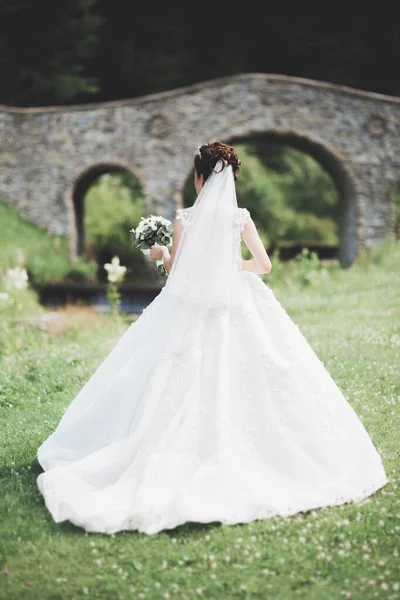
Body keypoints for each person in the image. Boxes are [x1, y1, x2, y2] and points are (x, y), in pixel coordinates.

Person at [37, 141, 388, 535]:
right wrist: (228, 264)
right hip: (238, 301)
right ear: (231, 178)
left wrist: (161, 255)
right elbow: (265, 266)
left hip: (187, 308)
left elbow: (179, 271)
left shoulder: (184, 218)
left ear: (199, 177)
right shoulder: (241, 218)